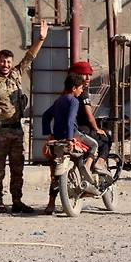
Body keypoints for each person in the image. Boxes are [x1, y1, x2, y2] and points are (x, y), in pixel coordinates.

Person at [0, 20, 48, 214]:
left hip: (16, 129)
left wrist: (41, 38)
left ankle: (17, 200)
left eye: (8, 61)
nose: (5, 64)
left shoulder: (17, 74)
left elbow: (30, 56)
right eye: (2, 61)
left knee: (18, 169)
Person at [42, 73, 101, 215]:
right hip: (72, 135)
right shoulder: (74, 101)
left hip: (57, 138)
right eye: (80, 88)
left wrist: (49, 134)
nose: (81, 91)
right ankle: (86, 170)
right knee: (94, 145)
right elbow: (70, 121)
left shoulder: (59, 100)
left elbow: (45, 116)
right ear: (74, 88)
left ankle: (51, 205)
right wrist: (69, 139)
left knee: (55, 174)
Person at [68, 61, 112, 173]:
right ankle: (98, 164)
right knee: (106, 138)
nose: (88, 78)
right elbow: (89, 116)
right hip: (82, 130)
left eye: (89, 75)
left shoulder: (66, 93)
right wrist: (97, 129)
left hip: (67, 130)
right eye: (84, 74)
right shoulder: (83, 93)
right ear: (76, 75)